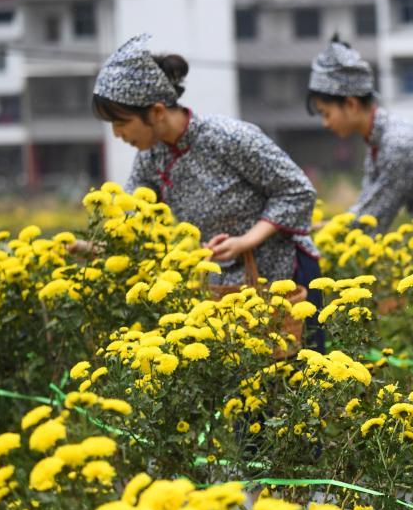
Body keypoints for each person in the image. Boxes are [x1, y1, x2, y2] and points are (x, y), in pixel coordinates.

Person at [90, 34, 324, 350]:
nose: (117, 133)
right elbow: (133, 217)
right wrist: (96, 244)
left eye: (121, 122)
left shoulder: (228, 138)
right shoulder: (151, 157)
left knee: (300, 373)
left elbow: (297, 191)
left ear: (156, 112)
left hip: (284, 277)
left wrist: (245, 241)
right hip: (224, 289)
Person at [306, 36, 413, 233]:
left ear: (351, 104)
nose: (325, 123)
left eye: (326, 113)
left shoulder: (398, 144)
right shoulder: (378, 140)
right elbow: (366, 207)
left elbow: (372, 220)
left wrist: (318, 232)